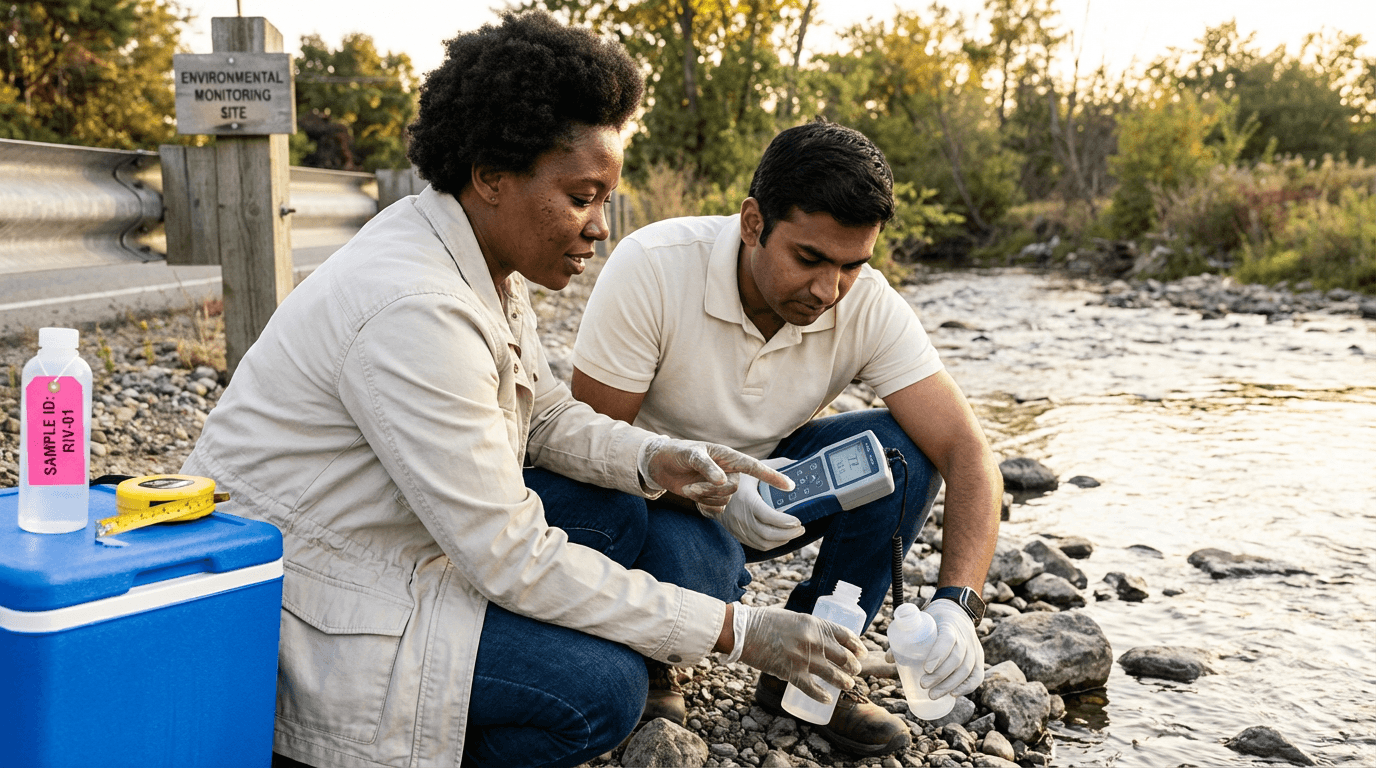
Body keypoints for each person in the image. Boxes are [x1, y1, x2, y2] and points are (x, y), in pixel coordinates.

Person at [183, 15, 871, 768]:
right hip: (305, 605)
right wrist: (740, 632)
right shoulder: (415, 307)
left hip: (396, 539)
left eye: (606, 199)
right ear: (490, 176)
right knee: (600, 692)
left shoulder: (472, 256)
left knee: (628, 514)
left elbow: (539, 414)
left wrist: (659, 459)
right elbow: (509, 556)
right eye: (582, 197)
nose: (599, 228)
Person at [571, 120, 1003, 757]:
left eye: (852, 265)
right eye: (809, 259)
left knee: (905, 453)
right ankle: (653, 655)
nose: (829, 291)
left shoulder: (866, 304)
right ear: (753, 223)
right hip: (651, 498)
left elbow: (968, 454)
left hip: (776, 488)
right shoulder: (654, 269)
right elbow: (583, 452)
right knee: (702, 570)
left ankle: (807, 667)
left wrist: (958, 606)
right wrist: (708, 493)